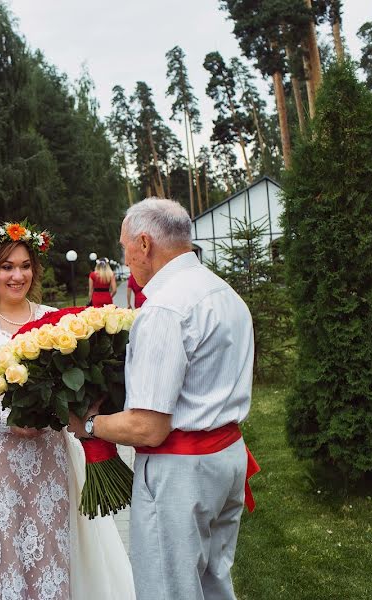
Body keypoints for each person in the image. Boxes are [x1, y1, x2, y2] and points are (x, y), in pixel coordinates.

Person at [0, 222, 134, 600]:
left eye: (24, 265)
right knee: (4, 542)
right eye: (6, 267)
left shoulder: (56, 320)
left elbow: (76, 380)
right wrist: (8, 422)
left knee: (53, 539)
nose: (17, 275)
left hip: (51, 452)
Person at [68, 198, 259, 600]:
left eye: (124, 247)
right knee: (214, 581)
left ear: (144, 243)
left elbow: (148, 427)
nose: (125, 258)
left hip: (181, 473)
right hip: (227, 457)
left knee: (168, 589)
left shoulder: (166, 309)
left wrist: (87, 425)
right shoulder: (224, 293)